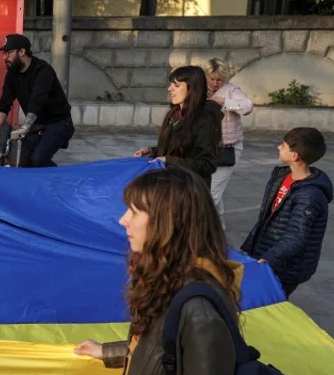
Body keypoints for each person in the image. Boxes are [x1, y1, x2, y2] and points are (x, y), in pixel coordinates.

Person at [74, 167, 240, 375]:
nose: (123, 220)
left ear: (168, 223)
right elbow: (162, 353)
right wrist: (107, 351)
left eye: (134, 212)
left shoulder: (199, 311)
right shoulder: (167, 282)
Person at [240, 127, 331, 297]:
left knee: (268, 303)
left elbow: (296, 236)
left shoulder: (310, 195)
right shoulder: (282, 176)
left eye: (283, 145)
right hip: (269, 255)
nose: (278, 147)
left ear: (294, 155)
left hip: (287, 266)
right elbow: (267, 219)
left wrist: (269, 258)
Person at [0, 34, 74, 167]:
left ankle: (59, 180)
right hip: (36, 125)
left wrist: (24, 128)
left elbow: (37, 101)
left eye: (8, 53)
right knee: (24, 167)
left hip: (58, 123)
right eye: (3, 53)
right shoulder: (12, 74)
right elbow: (4, 104)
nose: (4, 57)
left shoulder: (43, 71)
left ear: (22, 52)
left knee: (38, 159)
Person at [135, 66, 222, 187]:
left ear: (192, 89)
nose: (170, 89)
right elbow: (176, 148)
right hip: (170, 185)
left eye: (176, 86)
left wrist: (169, 161)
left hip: (190, 190)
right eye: (171, 84)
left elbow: (207, 164)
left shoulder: (205, 118)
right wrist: (152, 152)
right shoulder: (174, 114)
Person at [204, 58, 254, 225]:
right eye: (212, 79)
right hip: (206, 148)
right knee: (210, 190)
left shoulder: (231, 90)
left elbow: (247, 106)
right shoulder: (202, 90)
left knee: (210, 195)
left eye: (219, 79)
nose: (216, 83)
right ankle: (220, 230)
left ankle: (207, 234)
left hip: (228, 148)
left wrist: (225, 102)